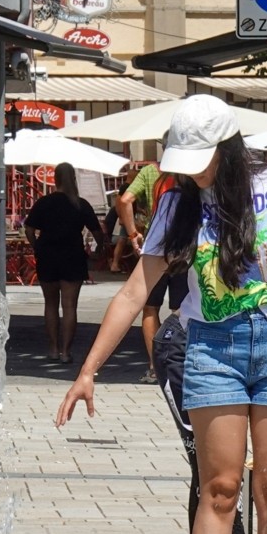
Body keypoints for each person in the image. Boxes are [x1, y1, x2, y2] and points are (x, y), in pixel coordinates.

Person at [57, 94, 267, 534]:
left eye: (200, 157)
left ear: (227, 149)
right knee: (220, 489)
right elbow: (135, 291)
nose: (192, 168)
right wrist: (87, 371)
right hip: (213, 351)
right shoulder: (179, 203)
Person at [153, 311, 261, 534]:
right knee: (210, 467)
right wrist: (89, 370)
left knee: (215, 469)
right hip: (185, 344)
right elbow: (137, 295)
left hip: (226, 343)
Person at [24, 162, 104, 361]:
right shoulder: (80, 204)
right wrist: (98, 250)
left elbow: (28, 229)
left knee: (50, 304)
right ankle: (66, 353)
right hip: (73, 255)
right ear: (73, 179)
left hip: (48, 255)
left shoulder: (44, 202)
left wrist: (36, 246)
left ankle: (53, 349)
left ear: (55, 179)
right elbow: (97, 232)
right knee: (70, 306)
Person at [117, 157, 185, 380]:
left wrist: (132, 233)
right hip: (185, 248)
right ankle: (181, 360)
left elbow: (125, 199)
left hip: (155, 246)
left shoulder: (149, 171)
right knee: (183, 309)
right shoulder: (189, 168)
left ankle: (155, 366)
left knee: (150, 307)